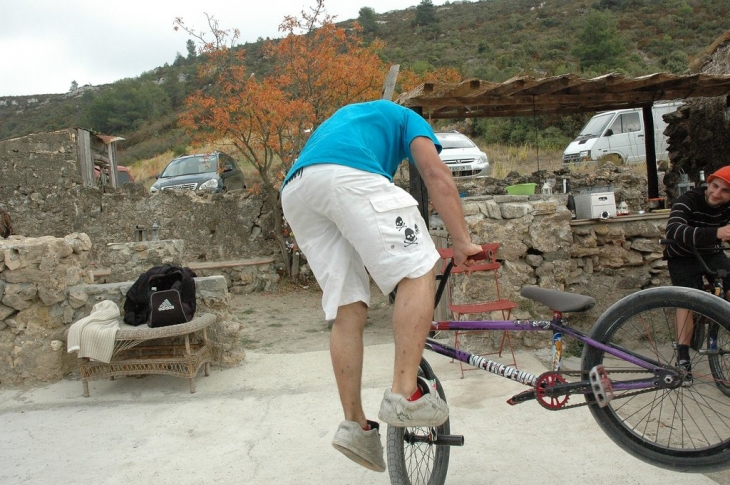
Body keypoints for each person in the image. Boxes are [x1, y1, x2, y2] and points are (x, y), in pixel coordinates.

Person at [280, 100, 482, 472]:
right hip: (346, 176)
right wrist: (462, 241)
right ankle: (405, 391)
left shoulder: (354, 119)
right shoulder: (410, 118)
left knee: (348, 304)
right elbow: (435, 174)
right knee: (419, 267)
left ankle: (354, 425)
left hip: (297, 189)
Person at [664, 165, 730, 386]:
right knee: (688, 300)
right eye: (714, 186)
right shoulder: (688, 200)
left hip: (710, 252)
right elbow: (673, 230)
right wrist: (716, 233)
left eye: (725, 191)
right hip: (682, 255)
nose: (717, 193)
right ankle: (683, 359)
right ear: (709, 183)